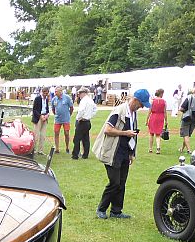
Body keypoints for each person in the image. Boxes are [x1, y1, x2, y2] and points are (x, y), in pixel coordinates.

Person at [92, 89, 150, 220]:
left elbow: (132, 134)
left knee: (122, 183)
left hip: (124, 152)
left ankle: (116, 211)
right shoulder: (119, 111)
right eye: (141, 104)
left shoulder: (133, 113)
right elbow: (108, 130)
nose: (141, 107)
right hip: (112, 152)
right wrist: (125, 133)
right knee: (114, 183)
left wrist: (131, 153)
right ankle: (101, 209)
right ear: (135, 100)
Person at [71, 87, 96, 159]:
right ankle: (85, 154)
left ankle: (75, 155)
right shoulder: (90, 100)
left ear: (83, 93)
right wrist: (90, 116)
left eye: (80, 94)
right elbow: (95, 110)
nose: (79, 95)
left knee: (76, 139)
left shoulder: (83, 101)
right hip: (87, 121)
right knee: (86, 139)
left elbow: (81, 110)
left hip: (82, 122)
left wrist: (78, 118)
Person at [178, 87, 195, 153]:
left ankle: (189, 150)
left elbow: (182, 108)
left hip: (187, 118)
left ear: (193, 91)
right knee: (187, 135)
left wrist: (184, 110)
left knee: (185, 135)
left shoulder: (189, 97)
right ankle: (182, 148)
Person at [51, 86, 73, 154]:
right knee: (56, 133)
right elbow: (53, 109)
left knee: (66, 133)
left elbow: (71, 107)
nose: (55, 93)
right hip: (57, 119)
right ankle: (57, 148)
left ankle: (67, 147)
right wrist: (56, 114)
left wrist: (69, 115)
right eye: (55, 91)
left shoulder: (67, 98)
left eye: (56, 92)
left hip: (66, 119)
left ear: (61, 92)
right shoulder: (54, 99)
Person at [31, 86, 51, 155]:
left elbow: (47, 109)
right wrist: (40, 116)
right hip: (38, 118)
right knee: (36, 135)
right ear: (42, 92)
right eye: (44, 93)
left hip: (45, 117)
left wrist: (47, 115)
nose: (45, 94)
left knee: (43, 135)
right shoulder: (37, 99)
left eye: (47, 93)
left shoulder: (46, 100)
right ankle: (33, 149)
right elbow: (34, 110)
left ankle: (40, 150)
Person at [146, 88, 167, 154]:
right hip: (160, 117)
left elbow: (149, 111)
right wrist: (166, 121)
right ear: (161, 94)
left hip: (153, 117)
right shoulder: (164, 101)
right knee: (158, 134)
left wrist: (147, 119)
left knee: (151, 133)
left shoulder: (152, 101)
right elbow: (165, 112)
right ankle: (158, 148)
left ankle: (150, 148)